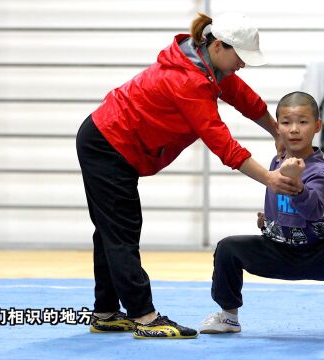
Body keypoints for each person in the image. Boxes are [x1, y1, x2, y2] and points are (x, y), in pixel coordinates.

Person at [76, 12, 303, 340]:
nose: (243, 65)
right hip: (108, 144)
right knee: (121, 230)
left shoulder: (207, 65)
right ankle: (144, 315)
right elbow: (220, 141)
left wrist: (276, 131)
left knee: (111, 231)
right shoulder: (188, 80)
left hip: (111, 141)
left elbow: (243, 98)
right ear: (220, 46)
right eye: (240, 57)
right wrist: (269, 179)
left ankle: (106, 311)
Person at [199, 91, 324, 340]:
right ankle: (228, 315)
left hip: (321, 253)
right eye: (286, 122)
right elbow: (277, 201)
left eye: (302, 122)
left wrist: (297, 185)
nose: (294, 129)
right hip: (279, 253)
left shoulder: (320, 171)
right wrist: (268, 221)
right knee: (228, 247)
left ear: (317, 126)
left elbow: (313, 210)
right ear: (277, 127)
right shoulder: (276, 160)